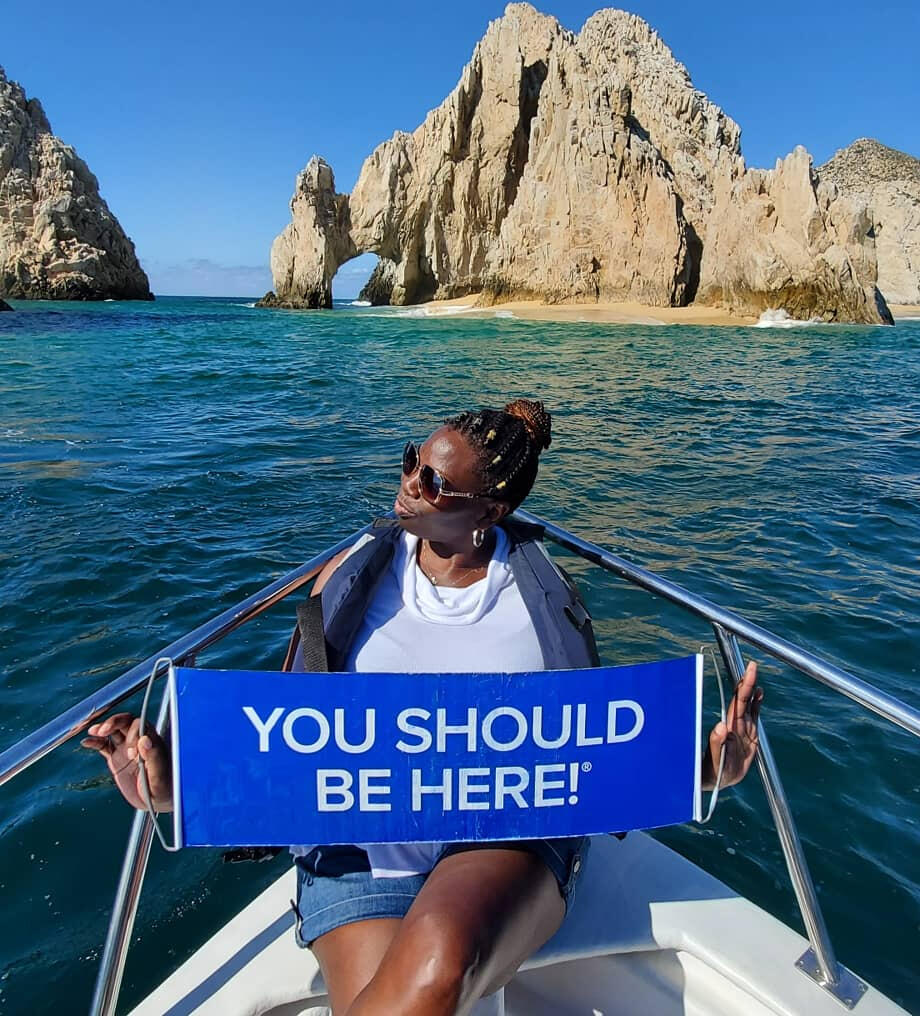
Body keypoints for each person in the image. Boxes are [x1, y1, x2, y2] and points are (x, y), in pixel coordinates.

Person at [84, 398, 764, 1016]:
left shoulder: (542, 599)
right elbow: (286, 736)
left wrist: (707, 770)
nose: (411, 483)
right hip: (357, 855)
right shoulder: (351, 574)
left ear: (490, 513)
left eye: (436, 482)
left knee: (438, 955)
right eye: (414, 462)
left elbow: (590, 752)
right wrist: (168, 785)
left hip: (501, 842)